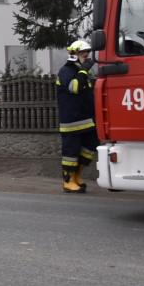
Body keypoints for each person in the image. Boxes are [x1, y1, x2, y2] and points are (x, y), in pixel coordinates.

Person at [56, 39, 97, 194]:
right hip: (72, 122)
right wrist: (83, 72)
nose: (86, 55)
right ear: (74, 54)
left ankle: (77, 176)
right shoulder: (66, 71)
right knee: (71, 153)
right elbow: (74, 88)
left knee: (90, 146)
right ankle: (68, 181)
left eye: (87, 52)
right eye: (82, 53)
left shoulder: (82, 72)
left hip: (87, 121)